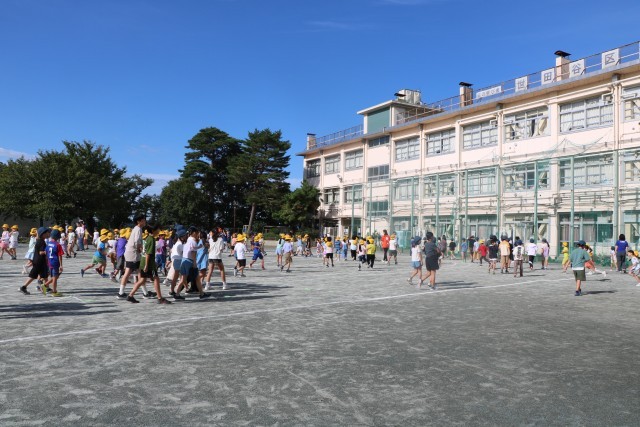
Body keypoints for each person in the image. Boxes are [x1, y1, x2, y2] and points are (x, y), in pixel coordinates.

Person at [126, 224, 171, 304]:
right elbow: (148, 254)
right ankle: (160, 298)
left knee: (142, 280)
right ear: (153, 230)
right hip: (149, 264)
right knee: (156, 279)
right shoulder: (152, 239)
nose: (159, 231)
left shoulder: (147, 238)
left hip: (143, 262)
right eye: (158, 230)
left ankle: (130, 295)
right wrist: (147, 265)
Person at [174, 227, 209, 300]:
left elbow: (192, 249)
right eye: (197, 233)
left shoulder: (188, 240)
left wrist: (200, 246)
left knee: (185, 279)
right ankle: (201, 294)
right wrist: (194, 263)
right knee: (195, 278)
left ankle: (177, 294)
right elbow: (193, 252)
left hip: (184, 260)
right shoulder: (193, 241)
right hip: (189, 261)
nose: (198, 234)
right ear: (194, 233)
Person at [19, 227, 50, 295]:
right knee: (33, 276)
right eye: (47, 233)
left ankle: (46, 288)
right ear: (43, 234)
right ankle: (23, 287)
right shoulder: (41, 242)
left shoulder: (40, 240)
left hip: (39, 261)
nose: (48, 234)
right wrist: (49, 251)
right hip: (39, 261)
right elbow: (41, 252)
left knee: (45, 275)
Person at [43, 228, 64, 296]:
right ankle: (54, 291)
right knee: (55, 278)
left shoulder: (48, 244)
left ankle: (45, 285)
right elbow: (60, 255)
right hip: (55, 263)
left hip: (50, 263)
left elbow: (46, 253)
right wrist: (61, 265)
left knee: (54, 277)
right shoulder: (58, 245)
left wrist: (47, 262)